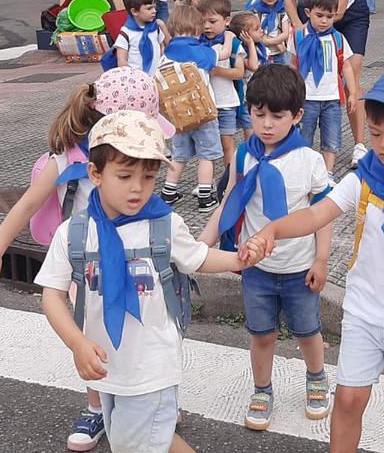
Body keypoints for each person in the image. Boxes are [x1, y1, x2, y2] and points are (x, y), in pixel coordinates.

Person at [240, 67, 384, 453]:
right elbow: (319, 213)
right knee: (349, 399)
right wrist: (273, 230)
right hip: (364, 312)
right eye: (376, 133)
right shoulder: (366, 177)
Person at [34, 109, 260, 453]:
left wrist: (239, 259)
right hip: (108, 366)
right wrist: (77, 343)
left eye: (149, 177)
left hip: (152, 366)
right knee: (152, 440)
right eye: (124, 176)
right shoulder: (75, 233)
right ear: (95, 173)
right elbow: (51, 295)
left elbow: (198, 256)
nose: (137, 189)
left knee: (133, 444)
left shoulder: (163, 224)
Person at [0, 69, 176, 452]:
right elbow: (29, 202)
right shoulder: (68, 157)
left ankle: (149, 394)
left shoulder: (135, 162)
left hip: (138, 257)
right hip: (88, 266)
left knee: (147, 327)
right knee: (89, 335)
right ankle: (97, 404)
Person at [199, 64, 333, 431]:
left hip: (298, 268)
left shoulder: (310, 162)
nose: (267, 124)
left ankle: (317, 376)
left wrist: (321, 260)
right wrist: (201, 246)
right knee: (261, 334)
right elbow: (229, 202)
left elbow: (323, 216)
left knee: (308, 331)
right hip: (254, 268)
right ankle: (262, 389)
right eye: (259, 115)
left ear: (298, 115)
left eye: (277, 115)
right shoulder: (243, 156)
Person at [283, 0, 372, 170]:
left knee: (350, 77)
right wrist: (300, 27)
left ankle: (358, 144)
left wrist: (320, 32)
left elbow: (340, 10)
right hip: (312, 14)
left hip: (347, 15)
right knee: (304, 71)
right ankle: (301, 141)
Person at [159, 5, 230, 212]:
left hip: (178, 117)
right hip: (203, 114)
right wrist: (230, 38)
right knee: (206, 155)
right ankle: (205, 197)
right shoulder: (201, 51)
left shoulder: (167, 53)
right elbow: (224, 55)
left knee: (180, 155)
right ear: (197, 29)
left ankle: (168, 192)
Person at [286, 0, 358, 175]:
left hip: (332, 99)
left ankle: (328, 173)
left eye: (330, 16)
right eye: (320, 15)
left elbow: (348, 67)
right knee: (304, 136)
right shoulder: (299, 36)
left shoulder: (339, 39)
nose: (325, 21)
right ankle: (305, 172)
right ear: (308, 13)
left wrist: (353, 93)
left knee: (331, 139)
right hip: (306, 98)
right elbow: (292, 65)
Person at [199, 0, 253, 167]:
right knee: (208, 146)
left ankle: (229, 179)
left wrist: (218, 71)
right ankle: (208, 182)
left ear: (227, 20)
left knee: (226, 143)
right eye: (203, 22)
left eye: (212, 21)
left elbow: (239, 72)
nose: (207, 26)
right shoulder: (198, 44)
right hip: (206, 103)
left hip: (227, 102)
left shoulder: (233, 43)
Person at [111, 0, 168, 75]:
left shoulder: (155, 28)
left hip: (156, 77)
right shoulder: (126, 33)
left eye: (154, 7)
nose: (154, 11)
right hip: (136, 80)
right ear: (135, 12)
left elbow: (161, 46)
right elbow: (122, 59)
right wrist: (128, 77)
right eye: (149, 8)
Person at [245, 0, 290, 65]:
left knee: (282, 76)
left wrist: (270, 41)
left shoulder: (282, 11)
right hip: (262, 51)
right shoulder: (256, 11)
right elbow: (254, 31)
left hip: (279, 52)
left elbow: (285, 33)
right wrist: (276, 43)